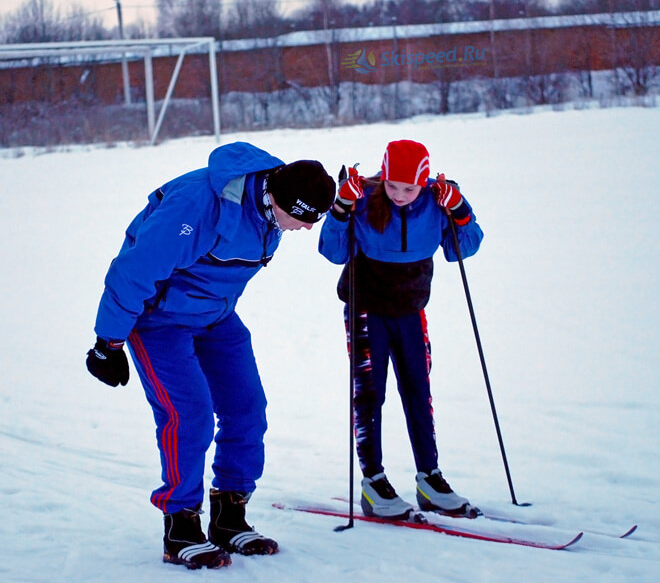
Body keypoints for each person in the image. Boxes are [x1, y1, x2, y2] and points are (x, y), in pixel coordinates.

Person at [85, 141, 335, 569]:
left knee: (247, 408)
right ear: (276, 198)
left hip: (216, 317)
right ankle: (180, 525)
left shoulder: (273, 204)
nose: (306, 230)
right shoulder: (197, 204)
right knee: (190, 414)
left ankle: (229, 516)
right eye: (302, 219)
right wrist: (109, 342)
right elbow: (135, 269)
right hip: (159, 321)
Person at [318, 140, 484, 520]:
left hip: (410, 311)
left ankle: (430, 478)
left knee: (418, 391)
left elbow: (464, 249)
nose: (399, 195)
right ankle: (373, 481)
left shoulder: (436, 202)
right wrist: (341, 208)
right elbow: (333, 252)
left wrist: (459, 210)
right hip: (366, 311)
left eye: (409, 189)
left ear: (424, 181)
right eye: (392, 185)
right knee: (370, 395)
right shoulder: (365, 197)